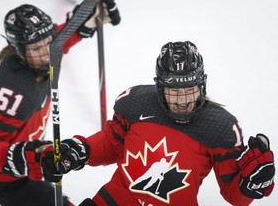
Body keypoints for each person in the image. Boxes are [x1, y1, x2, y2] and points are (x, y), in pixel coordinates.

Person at [41, 41, 275, 206]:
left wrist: (250, 186)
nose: (182, 101)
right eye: (174, 91)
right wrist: (81, 150)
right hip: (113, 200)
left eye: (189, 90)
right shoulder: (136, 103)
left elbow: (234, 197)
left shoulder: (220, 128)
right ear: (160, 87)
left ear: (202, 86)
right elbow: (112, 145)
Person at [0, 0, 120, 206]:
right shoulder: (13, 92)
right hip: (4, 179)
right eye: (35, 48)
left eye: (47, 42)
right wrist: (32, 157)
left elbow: (58, 41)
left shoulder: (41, 54)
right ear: (19, 50)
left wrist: (83, 21)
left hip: (23, 169)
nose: (46, 53)